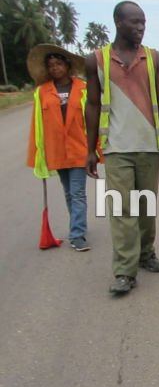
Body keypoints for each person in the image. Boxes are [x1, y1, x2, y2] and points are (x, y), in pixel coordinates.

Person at [84, 1, 159, 295]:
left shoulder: (155, 60)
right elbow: (93, 104)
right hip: (116, 148)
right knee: (122, 209)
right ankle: (125, 270)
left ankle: (146, 254)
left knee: (145, 206)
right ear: (117, 22)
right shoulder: (96, 60)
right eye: (134, 22)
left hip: (149, 146)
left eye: (143, 22)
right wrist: (91, 149)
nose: (140, 28)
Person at [26, 44, 97, 251]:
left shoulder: (82, 88)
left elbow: (92, 120)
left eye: (58, 63)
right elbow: (37, 124)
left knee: (77, 193)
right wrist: (39, 152)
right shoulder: (42, 92)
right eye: (51, 65)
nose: (55, 68)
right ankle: (77, 224)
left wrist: (95, 147)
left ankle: (77, 234)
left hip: (79, 148)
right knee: (68, 192)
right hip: (56, 150)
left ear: (67, 65)